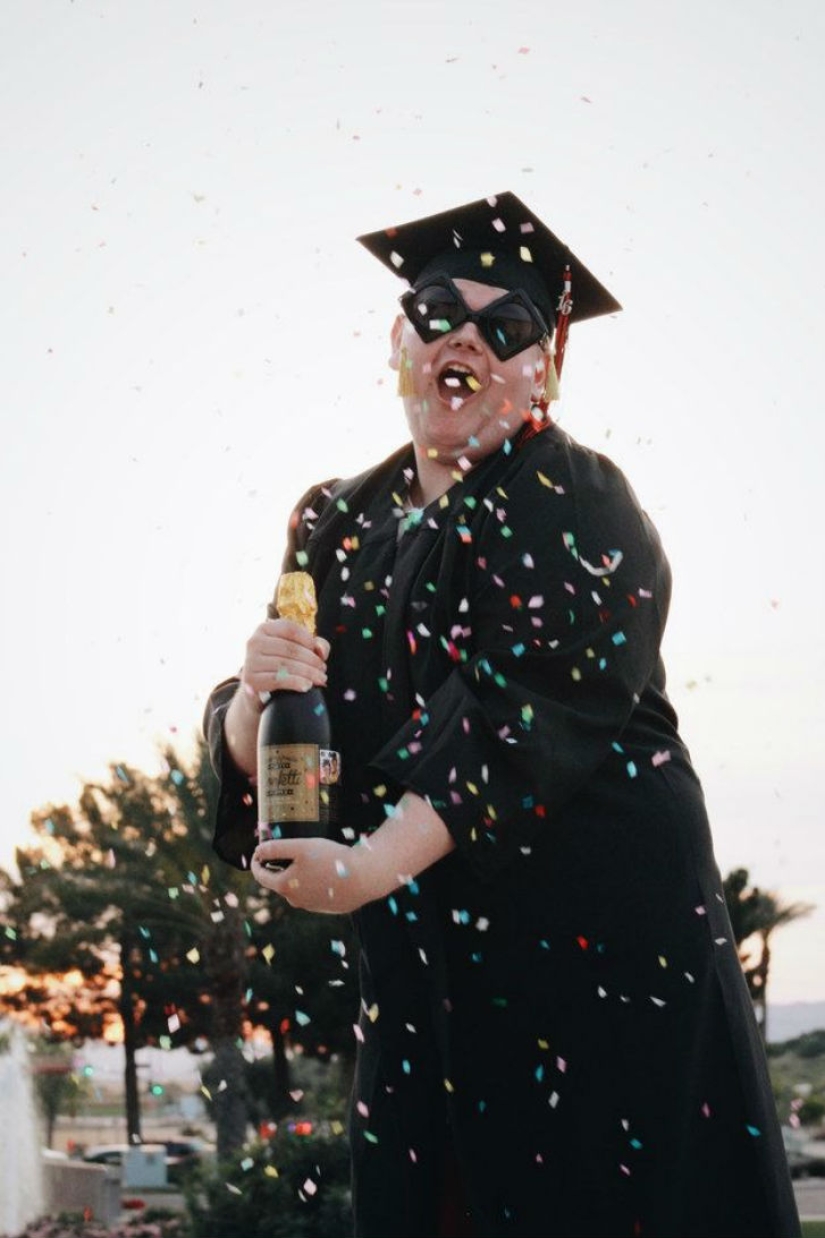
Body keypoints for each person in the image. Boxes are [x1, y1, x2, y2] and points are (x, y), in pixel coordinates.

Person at [204, 192, 800, 1238]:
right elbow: (282, 734)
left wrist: (373, 863)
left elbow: (517, 714)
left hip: (603, 964)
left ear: (545, 371)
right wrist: (251, 701)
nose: (465, 336)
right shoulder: (335, 520)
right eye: (439, 310)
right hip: (426, 977)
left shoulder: (581, 498)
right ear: (400, 340)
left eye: (507, 325)